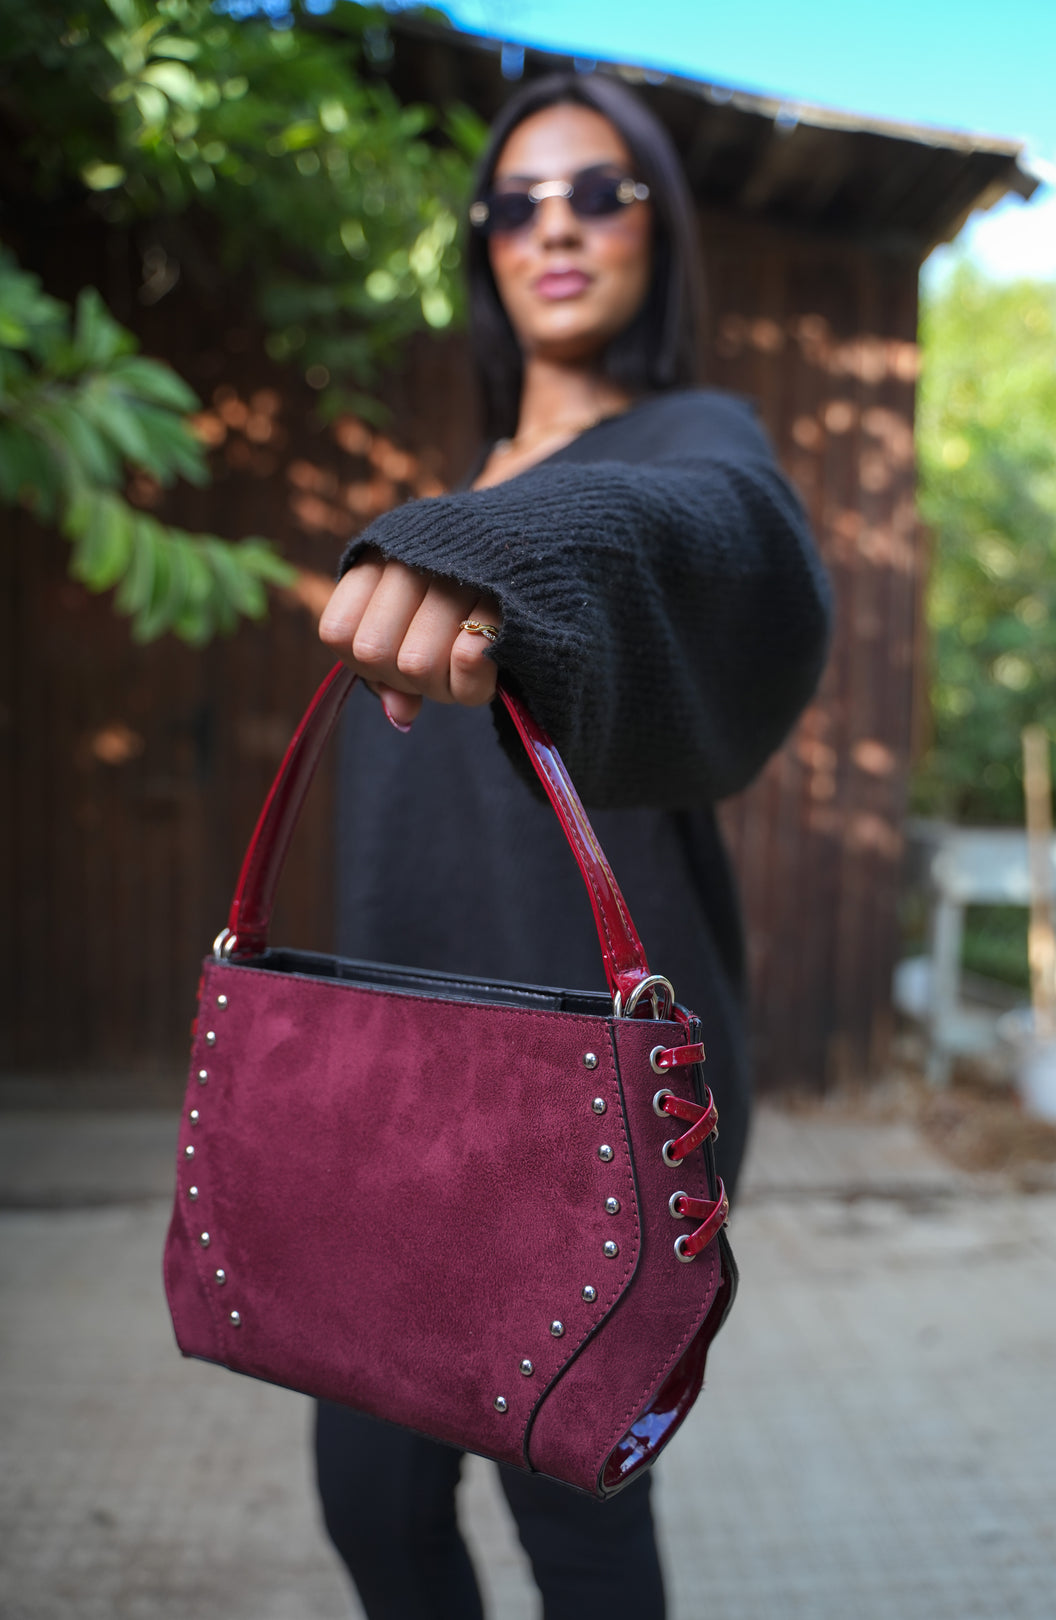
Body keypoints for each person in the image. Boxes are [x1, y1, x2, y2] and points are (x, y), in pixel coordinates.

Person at [315, 70, 832, 1620]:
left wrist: (512, 545)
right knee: (371, 1500)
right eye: (518, 201)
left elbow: (742, 547)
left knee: (577, 1515)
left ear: (657, 231)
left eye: (600, 192)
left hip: (582, 1106)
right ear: (482, 243)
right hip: (396, 1084)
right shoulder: (452, 490)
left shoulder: (689, 444)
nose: (559, 226)